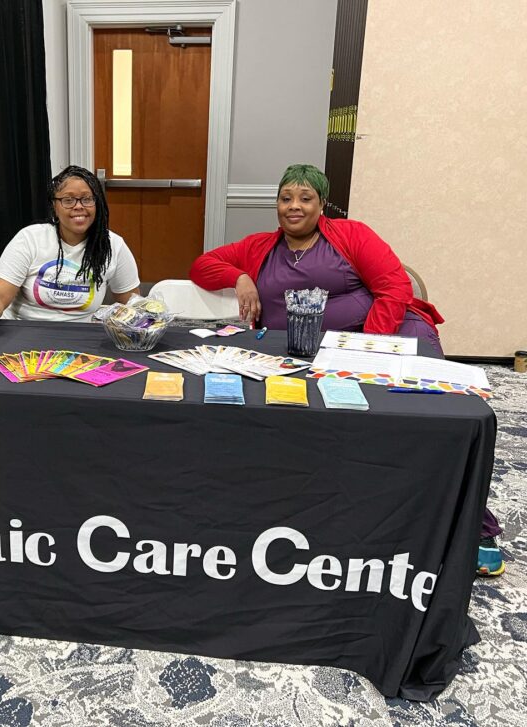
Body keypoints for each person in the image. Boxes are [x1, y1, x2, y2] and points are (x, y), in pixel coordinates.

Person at [190, 163, 504, 576]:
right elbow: (202, 266)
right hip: (305, 352)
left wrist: (369, 352)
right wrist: (241, 276)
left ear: (322, 205)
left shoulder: (352, 235)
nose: (294, 207)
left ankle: (477, 529)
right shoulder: (259, 246)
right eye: (286, 198)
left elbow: (395, 288)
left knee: (437, 417)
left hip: (388, 335)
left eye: (306, 198)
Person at [0, 165, 140, 334]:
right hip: (22, 331)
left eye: (87, 199)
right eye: (68, 200)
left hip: (82, 336)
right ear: (54, 207)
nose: (78, 206)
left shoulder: (113, 246)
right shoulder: (30, 239)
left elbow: (133, 305)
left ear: (97, 204)